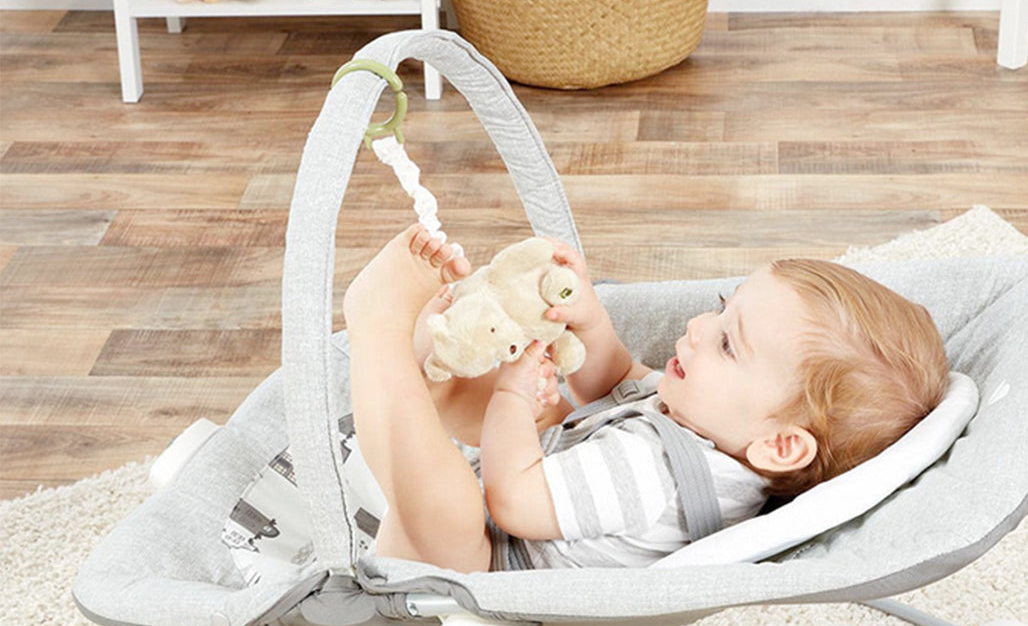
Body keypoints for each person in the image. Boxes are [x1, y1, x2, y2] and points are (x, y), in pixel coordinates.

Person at [342, 225, 949, 574]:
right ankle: (431, 373)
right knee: (553, 406)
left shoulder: (655, 476)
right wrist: (589, 318)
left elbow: (514, 501)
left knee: (459, 490)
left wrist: (510, 399)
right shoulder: (716, 430)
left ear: (781, 445)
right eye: (720, 310)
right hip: (514, 510)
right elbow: (618, 382)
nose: (697, 328)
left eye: (727, 344)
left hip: (477, 573)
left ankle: (378, 331)